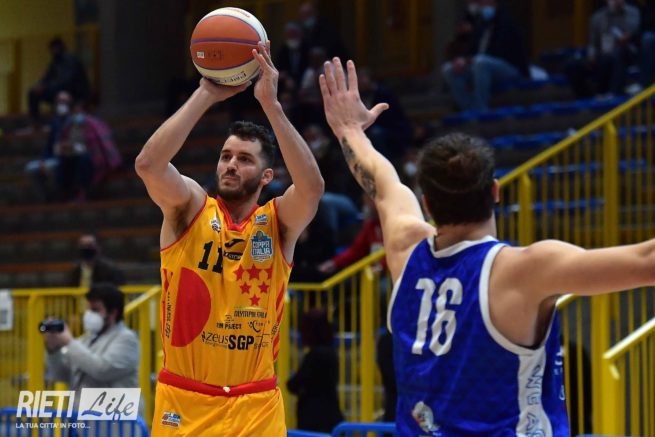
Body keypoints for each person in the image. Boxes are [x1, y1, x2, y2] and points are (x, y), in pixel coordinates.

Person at [320, 57, 655, 435]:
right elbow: (647, 261)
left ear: (427, 203)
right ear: (495, 191)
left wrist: (348, 129)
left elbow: (382, 182)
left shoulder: (405, 249)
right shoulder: (523, 269)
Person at [135, 41, 324, 436]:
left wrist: (271, 106)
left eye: (244, 159)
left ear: (267, 176)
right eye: (226, 156)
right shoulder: (189, 208)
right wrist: (205, 93)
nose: (231, 165)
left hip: (256, 404)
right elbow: (149, 165)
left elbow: (311, 188)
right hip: (184, 401)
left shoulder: (277, 223)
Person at [43, 283, 140, 412]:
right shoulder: (85, 340)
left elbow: (101, 370)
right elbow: (60, 375)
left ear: (113, 313)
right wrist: (53, 349)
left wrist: (69, 342)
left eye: (95, 310)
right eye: (88, 310)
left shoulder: (127, 339)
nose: (89, 315)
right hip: (81, 418)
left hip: (114, 420)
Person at [441, 0, 529, 111]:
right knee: (449, 69)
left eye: (484, 3)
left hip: (509, 68)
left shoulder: (506, 22)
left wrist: (468, 60)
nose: (481, 6)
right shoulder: (481, 24)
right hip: (480, 66)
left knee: (480, 62)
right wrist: (461, 60)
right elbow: (471, 50)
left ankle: (481, 109)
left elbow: (498, 52)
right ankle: (469, 109)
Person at [565, 0, 641, 98]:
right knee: (572, 66)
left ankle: (611, 94)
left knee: (615, 55)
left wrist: (627, 37)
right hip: (602, 55)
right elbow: (592, 43)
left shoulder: (633, 12)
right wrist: (591, 56)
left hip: (627, 53)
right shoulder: (597, 17)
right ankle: (587, 98)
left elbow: (633, 33)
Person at [287, 308, 344, 432]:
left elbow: (294, 384)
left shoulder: (314, 356)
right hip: (331, 414)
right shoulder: (331, 353)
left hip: (313, 420)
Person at [54, 102, 122, 202]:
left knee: (84, 160)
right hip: (73, 154)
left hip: (93, 154)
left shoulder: (93, 124)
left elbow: (99, 142)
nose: (77, 114)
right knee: (63, 161)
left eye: (79, 111)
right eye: (75, 112)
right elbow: (62, 142)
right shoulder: (69, 126)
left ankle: (83, 192)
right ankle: (65, 192)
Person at [28, 37, 90, 126]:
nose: (53, 51)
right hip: (57, 90)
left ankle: (62, 123)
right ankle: (35, 121)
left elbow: (67, 81)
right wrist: (40, 85)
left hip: (73, 92)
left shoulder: (70, 60)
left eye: (55, 48)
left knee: (61, 97)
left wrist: (47, 87)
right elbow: (47, 77)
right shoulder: (55, 62)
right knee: (33, 93)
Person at [24, 90, 72, 201]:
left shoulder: (74, 121)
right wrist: (43, 160)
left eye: (64, 102)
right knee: (30, 168)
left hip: (68, 159)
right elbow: (49, 145)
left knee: (51, 169)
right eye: (59, 102)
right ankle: (43, 199)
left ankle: (59, 197)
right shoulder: (55, 122)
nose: (61, 104)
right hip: (52, 158)